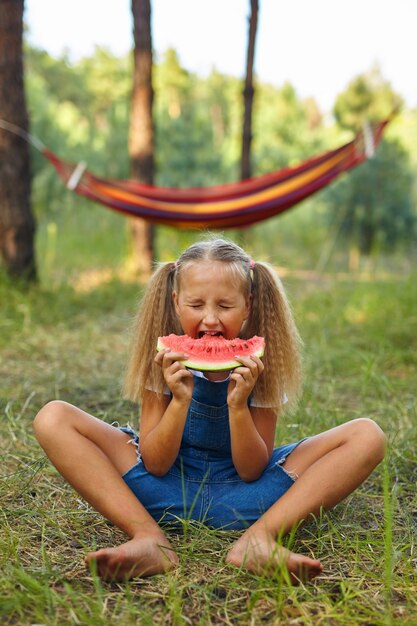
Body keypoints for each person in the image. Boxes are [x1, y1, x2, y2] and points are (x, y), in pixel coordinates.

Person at [34, 237, 385, 583]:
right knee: (53, 417)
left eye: (225, 305)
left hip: (245, 496)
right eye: (197, 304)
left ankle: (259, 539)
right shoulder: (165, 359)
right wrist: (179, 401)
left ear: (248, 305)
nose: (211, 319)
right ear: (175, 302)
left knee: (367, 435)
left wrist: (237, 405)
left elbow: (251, 470)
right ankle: (147, 538)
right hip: (162, 491)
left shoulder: (261, 364)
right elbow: (154, 463)